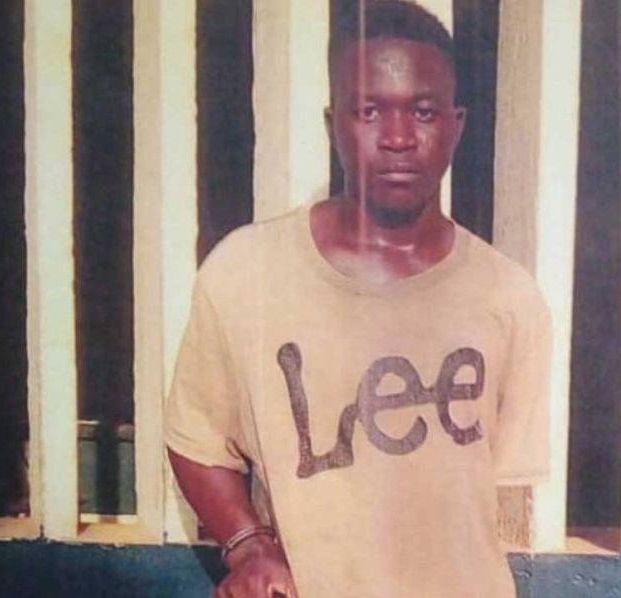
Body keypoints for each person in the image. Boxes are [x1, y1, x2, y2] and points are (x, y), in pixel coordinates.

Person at [165, 1, 551, 596]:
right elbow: (196, 438)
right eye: (370, 111)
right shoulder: (246, 275)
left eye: (423, 112)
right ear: (333, 125)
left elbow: (493, 494)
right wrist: (248, 545)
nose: (397, 139)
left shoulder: (508, 298)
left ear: (456, 126)